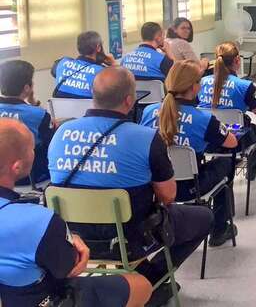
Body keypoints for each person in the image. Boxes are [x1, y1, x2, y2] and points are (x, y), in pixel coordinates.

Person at [47, 67, 213, 305]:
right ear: (128, 100)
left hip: (74, 240)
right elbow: (168, 196)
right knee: (204, 218)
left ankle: (135, 284)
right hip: (130, 240)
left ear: (93, 96)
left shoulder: (61, 133)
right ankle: (151, 281)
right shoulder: (146, 138)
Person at [0, 119, 153, 307]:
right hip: (40, 299)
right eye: (32, 149)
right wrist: (69, 239)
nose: (34, 152)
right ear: (16, 166)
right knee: (141, 286)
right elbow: (68, 268)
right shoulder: (37, 221)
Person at [140, 61, 239, 247]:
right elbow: (232, 142)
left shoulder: (148, 112)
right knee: (226, 163)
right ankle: (219, 229)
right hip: (189, 188)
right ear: (194, 87)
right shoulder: (203, 118)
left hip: (155, 189)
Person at [198, 41, 256, 178]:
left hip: (207, 141)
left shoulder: (201, 82)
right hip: (236, 141)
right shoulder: (244, 86)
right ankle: (254, 158)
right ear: (237, 60)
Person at [0, 60, 54, 185]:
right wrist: (34, 103)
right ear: (27, 88)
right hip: (28, 178)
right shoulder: (39, 115)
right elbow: (51, 145)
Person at [51, 31, 116, 99]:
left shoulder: (62, 63)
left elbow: (53, 72)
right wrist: (114, 65)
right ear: (98, 47)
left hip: (60, 106)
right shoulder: (102, 72)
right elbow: (121, 85)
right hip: (90, 106)